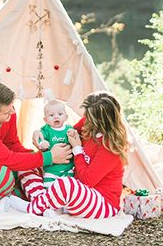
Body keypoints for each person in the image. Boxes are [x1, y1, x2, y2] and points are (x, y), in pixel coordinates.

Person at [11, 91, 129, 219]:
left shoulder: (111, 148)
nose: (85, 119)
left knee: (66, 184)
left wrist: (77, 148)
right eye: (86, 115)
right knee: (29, 163)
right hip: (73, 192)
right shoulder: (88, 123)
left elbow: (86, 181)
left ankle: (32, 207)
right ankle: (47, 205)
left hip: (101, 202)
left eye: (90, 117)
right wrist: (38, 133)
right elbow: (64, 134)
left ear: (102, 121)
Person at [33, 99, 75, 185]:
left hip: (68, 168)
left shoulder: (69, 128)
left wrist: (73, 133)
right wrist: (42, 143)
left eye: (60, 114)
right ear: (46, 120)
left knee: (69, 186)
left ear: (66, 117)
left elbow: (76, 139)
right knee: (49, 186)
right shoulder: (46, 130)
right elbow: (40, 139)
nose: (56, 117)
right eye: (51, 115)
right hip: (51, 169)